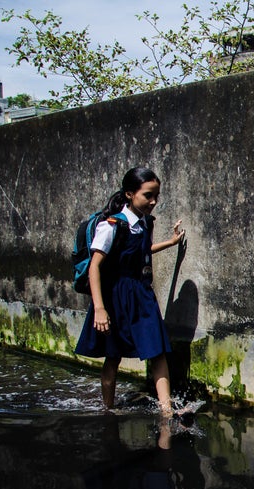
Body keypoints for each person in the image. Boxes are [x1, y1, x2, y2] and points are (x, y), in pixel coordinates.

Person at [75, 167, 185, 415]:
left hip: (142, 294)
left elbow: (140, 252)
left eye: (156, 195)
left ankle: (167, 411)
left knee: (157, 350)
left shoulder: (145, 223)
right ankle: (108, 409)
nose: (153, 201)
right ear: (129, 194)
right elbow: (95, 267)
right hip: (116, 296)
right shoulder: (112, 225)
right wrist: (100, 309)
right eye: (148, 195)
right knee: (113, 355)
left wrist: (170, 242)